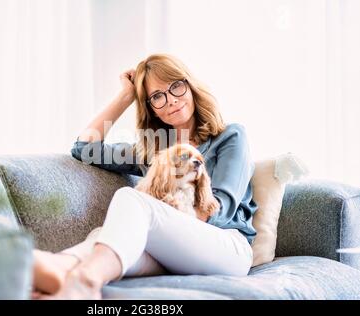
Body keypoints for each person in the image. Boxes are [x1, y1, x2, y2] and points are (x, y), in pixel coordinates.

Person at [31, 53, 258, 300]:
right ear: (151, 109)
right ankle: (60, 267)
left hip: (227, 247)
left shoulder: (230, 137)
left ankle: (85, 282)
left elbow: (221, 210)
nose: (171, 100)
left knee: (132, 200)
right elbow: (84, 149)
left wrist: (158, 213)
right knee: (106, 237)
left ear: (190, 86)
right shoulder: (153, 150)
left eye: (176, 86)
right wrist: (126, 97)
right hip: (174, 250)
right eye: (157, 97)